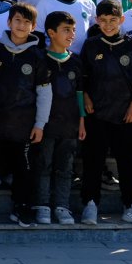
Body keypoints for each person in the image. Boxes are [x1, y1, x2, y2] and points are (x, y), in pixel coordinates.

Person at [0, 1, 49, 226]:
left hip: (24, 125)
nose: (21, 25)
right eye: (17, 20)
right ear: (8, 22)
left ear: (33, 26)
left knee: (24, 168)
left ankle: (21, 208)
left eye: (26, 22)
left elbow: (44, 92)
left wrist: (40, 124)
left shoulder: (37, 56)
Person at [79, 0, 132, 227]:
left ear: (121, 20)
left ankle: (131, 205)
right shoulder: (91, 45)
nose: (108, 25)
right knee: (93, 160)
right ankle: (90, 204)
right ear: (97, 21)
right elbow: (82, 78)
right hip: (96, 112)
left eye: (113, 20)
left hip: (124, 114)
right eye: (103, 20)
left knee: (129, 161)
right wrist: (87, 98)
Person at [33, 12, 85, 226]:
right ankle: (42, 206)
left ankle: (62, 206)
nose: (71, 34)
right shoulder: (40, 59)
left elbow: (80, 93)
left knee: (65, 167)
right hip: (45, 125)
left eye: (73, 30)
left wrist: (82, 120)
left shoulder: (76, 62)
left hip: (70, 124)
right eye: (66, 30)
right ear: (51, 33)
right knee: (43, 165)